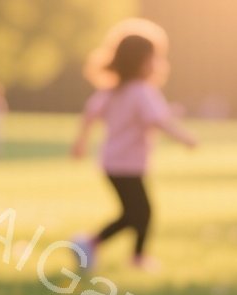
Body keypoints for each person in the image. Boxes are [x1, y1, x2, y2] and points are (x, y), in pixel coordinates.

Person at [70, 20, 197, 270]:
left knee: (134, 212)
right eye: (154, 58)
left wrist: (80, 143)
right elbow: (158, 121)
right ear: (142, 62)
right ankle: (116, 251)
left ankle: (105, 247)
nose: (158, 63)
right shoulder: (142, 91)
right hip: (128, 165)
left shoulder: (113, 91)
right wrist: (185, 138)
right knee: (140, 212)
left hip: (112, 163)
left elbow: (90, 114)